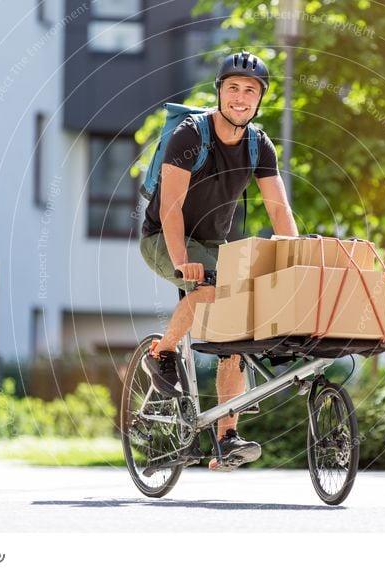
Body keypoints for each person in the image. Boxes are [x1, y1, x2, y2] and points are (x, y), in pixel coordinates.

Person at [140, 50, 298, 470]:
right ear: (220, 93)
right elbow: (171, 208)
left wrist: (298, 258)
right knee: (208, 288)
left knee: (238, 337)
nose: (241, 98)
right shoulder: (191, 135)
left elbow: (279, 211)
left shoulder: (258, 144)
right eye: (233, 89)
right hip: (163, 237)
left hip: (214, 245)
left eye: (250, 91)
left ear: (259, 99)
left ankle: (227, 436)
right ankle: (162, 353)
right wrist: (181, 262)